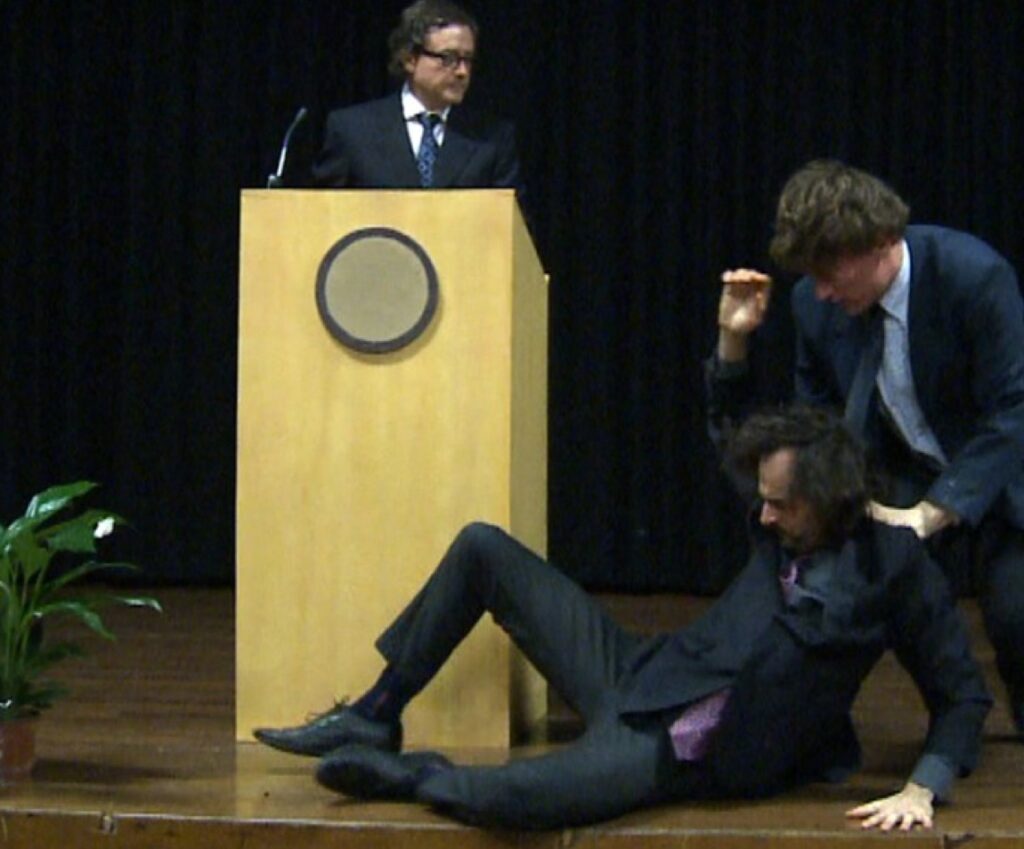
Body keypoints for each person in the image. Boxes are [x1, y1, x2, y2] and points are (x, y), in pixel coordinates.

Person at [255, 406, 991, 831]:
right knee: (484, 547)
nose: (763, 515)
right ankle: (378, 711)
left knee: (512, 800)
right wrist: (733, 340)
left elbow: (961, 693)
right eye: (762, 499)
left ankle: (416, 776)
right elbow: (729, 427)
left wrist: (922, 786)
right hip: (642, 673)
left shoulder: (894, 569)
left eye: (780, 504)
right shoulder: (775, 525)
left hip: (687, 750)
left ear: (829, 500)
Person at [715, 159, 1024, 735]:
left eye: (831, 270)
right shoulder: (815, 304)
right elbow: (814, 431)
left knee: (1016, 614)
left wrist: (934, 512)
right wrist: (733, 348)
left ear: (882, 243)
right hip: (906, 475)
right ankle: (812, 731)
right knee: (847, 584)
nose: (822, 290)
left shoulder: (973, 276)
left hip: (1003, 474)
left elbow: (1015, 408)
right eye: (812, 274)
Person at [311, 0, 521, 191]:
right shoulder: (353, 131)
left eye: (468, 59)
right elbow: (324, 211)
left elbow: (509, 217)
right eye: (448, 58)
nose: (462, 72)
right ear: (410, 59)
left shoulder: (493, 139)